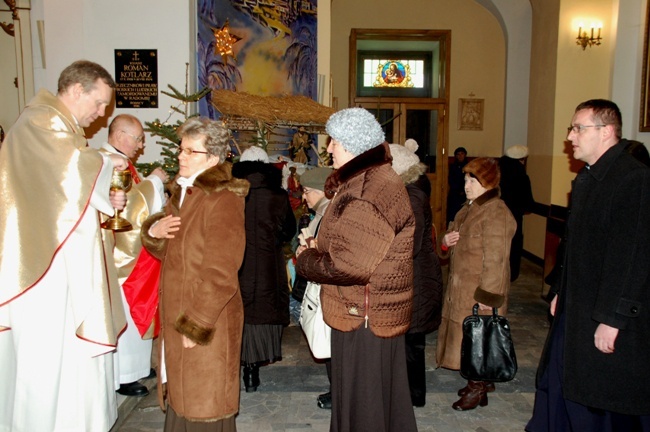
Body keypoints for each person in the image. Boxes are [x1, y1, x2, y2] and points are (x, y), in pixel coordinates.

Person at [0, 60, 128, 431]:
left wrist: (104, 199)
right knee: (45, 357)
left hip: (57, 266)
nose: (102, 115)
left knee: (65, 357)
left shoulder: (61, 127)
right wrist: (106, 163)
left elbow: (66, 193)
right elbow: (72, 172)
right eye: (100, 103)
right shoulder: (41, 121)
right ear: (76, 90)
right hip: (43, 270)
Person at [527, 99, 650, 431]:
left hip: (608, 312)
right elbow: (575, 247)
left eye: (578, 128)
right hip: (577, 306)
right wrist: (559, 291)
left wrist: (613, 319)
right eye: (572, 128)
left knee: (601, 396)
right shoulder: (588, 177)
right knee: (562, 378)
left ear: (607, 131)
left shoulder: (633, 179)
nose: (570, 137)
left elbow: (633, 257)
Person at [296, 107, 418, 432]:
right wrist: (318, 247)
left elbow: (350, 266)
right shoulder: (364, 181)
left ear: (351, 144)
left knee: (365, 407)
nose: (329, 148)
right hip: (366, 314)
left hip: (363, 318)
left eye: (333, 141)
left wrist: (305, 260)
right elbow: (350, 243)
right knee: (373, 403)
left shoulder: (368, 191)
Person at [141, 117, 249, 431]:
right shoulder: (185, 193)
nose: (181, 156)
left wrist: (197, 324)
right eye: (181, 149)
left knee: (204, 405)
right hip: (179, 315)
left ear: (213, 159)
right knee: (183, 401)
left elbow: (221, 272)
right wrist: (156, 232)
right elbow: (172, 252)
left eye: (191, 151)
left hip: (205, 322)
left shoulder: (223, 199)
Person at [437, 157, 516, 411]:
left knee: (478, 340)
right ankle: (477, 380)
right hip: (462, 289)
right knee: (467, 338)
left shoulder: (496, 211)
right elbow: (450, 244)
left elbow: (497, 260)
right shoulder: (468, 208)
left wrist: (488, 296)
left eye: (473, 179)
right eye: (465, 178)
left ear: (488, 182)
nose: (466, 184)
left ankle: (478, 387)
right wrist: (445, 242)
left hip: (478, 291)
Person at [101, 114, 168, 397]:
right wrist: (154, 181)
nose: (141, 145)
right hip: (119, 259)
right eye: (138, 138)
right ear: (120, 136)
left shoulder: (123, 163)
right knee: (125, 313)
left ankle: (136, 368)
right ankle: (123, 375)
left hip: (131, 257)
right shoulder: (106, 162)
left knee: (136, 310)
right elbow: (126, 210)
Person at [232, 146, 296, 393]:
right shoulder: (277, 196)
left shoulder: (232, 193)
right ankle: (253, 371)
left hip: (237, 263)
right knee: (263, 311)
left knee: (239, 311)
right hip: (269, 264)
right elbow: (288, 230)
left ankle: (241, 363)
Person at [389, 140, 443, 408]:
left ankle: (414, 397)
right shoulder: (409, 192)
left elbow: (409, 244)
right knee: (409, 340)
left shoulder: (411, 196)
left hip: (416, 279)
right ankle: (407, 394)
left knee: (412, 342)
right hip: (414, 277)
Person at [292, 166, 334, 409]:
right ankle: (335, 389)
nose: (304, 197)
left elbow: (326, 254)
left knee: (332, 344)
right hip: (321, 285)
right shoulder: (321, 212)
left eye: (307, 191)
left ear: (321, 190)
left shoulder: (328, 213)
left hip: (329, 290)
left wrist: (307, 248)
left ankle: (338, 391)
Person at [499, 145, 534, 281]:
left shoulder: (498, 170)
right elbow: (527, 201)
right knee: (513, 244)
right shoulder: (521, 175)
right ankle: (511, 273)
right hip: (515, 215)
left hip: (498, 214)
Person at [447, 146, 468, 224]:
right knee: (453, 212)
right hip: (454, 193)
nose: (460, 156)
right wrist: (457, 190)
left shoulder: (468, 166)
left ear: (465, 155)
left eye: (462, 154)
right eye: (458, 154)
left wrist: (463, 190)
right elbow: (451, 179)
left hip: (465, 193)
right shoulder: (453, 166)